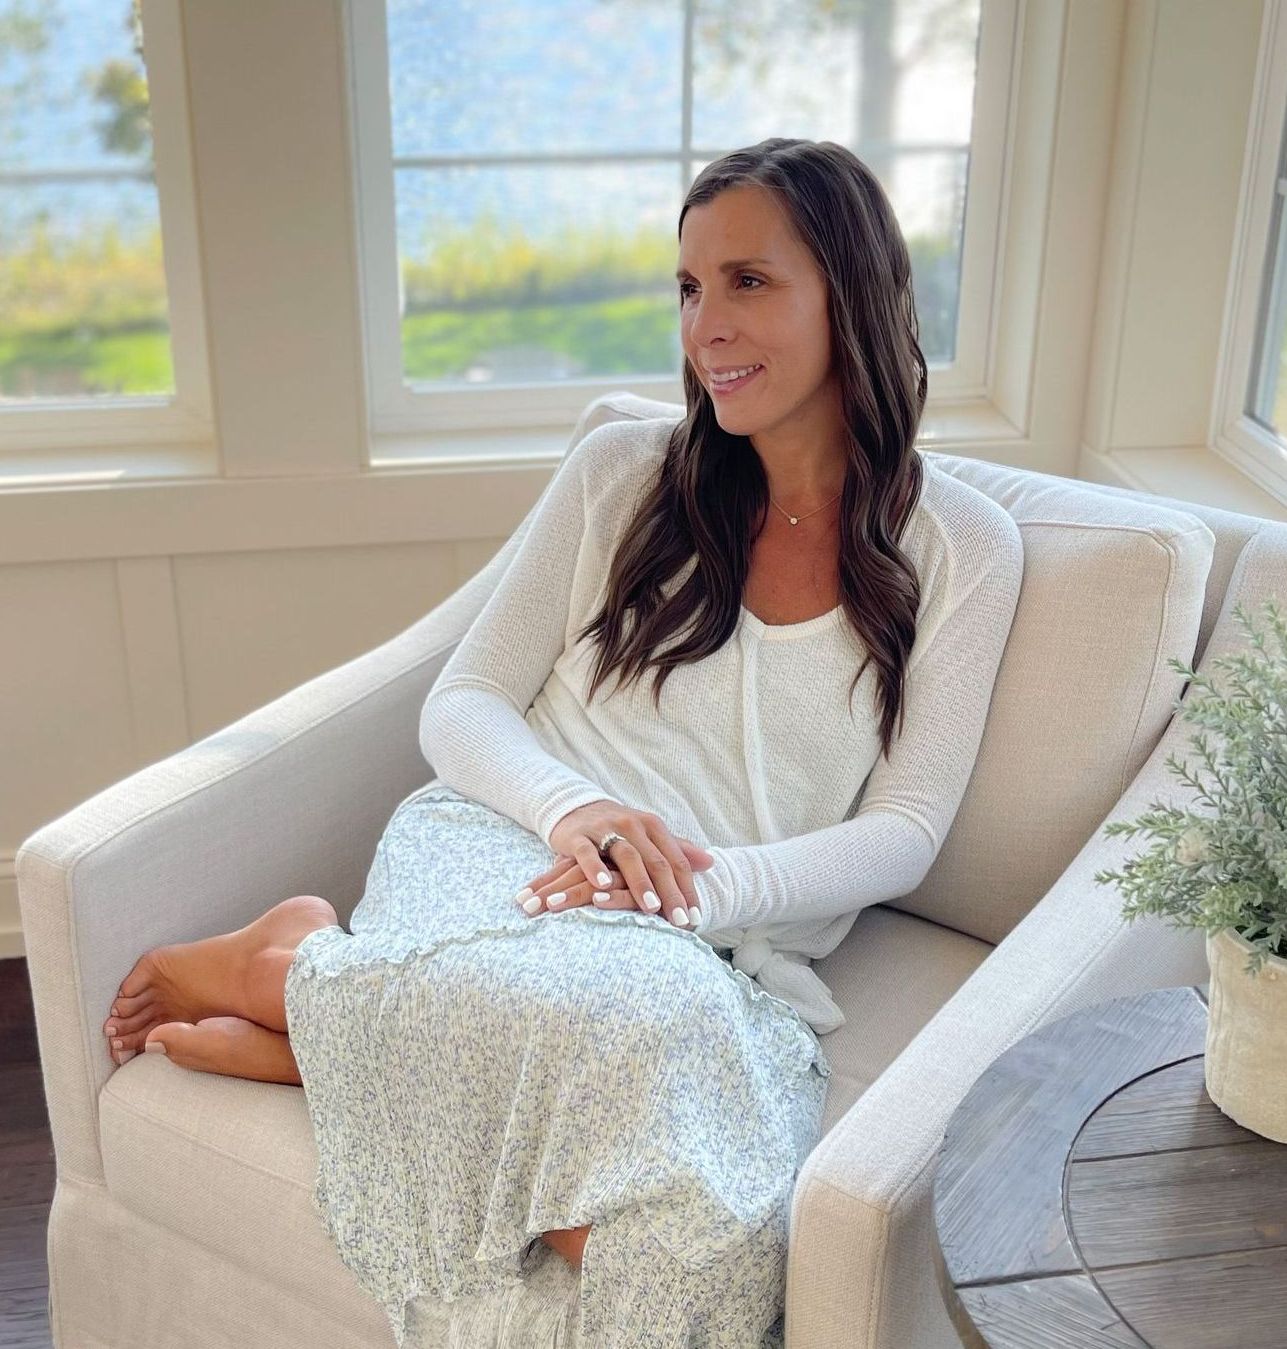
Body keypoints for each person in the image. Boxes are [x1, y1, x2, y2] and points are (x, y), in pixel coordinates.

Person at [98, 137, 1024, 1347]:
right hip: (506, 848)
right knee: (640, 1109)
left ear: (851, 290)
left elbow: (906, 828)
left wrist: (694, 891)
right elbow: (463, 699)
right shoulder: (623, 473)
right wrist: (575, 814)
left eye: (747, 281)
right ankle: (311, 986)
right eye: (689, 289)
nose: (706, 327)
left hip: (702, 944)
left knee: (715, 1233)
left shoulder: (964, 547)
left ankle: (311, 998)